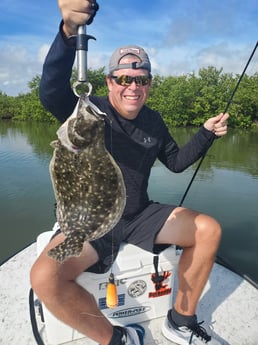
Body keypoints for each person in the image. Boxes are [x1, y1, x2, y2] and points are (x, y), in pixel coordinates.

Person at [30, 1, 229, 344]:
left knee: (208, 230)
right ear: (108, 81)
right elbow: (50, 92)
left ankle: (180, 320)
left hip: (138, 213)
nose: (132, 86)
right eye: (123, 78)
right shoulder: (89, 111)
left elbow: (177, 162)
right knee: (45, 277)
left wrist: (205, 133)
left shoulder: (154, 121)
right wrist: (66, 34)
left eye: (141, 79)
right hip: (90, 222)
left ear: (149, 84)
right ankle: (115, 337)